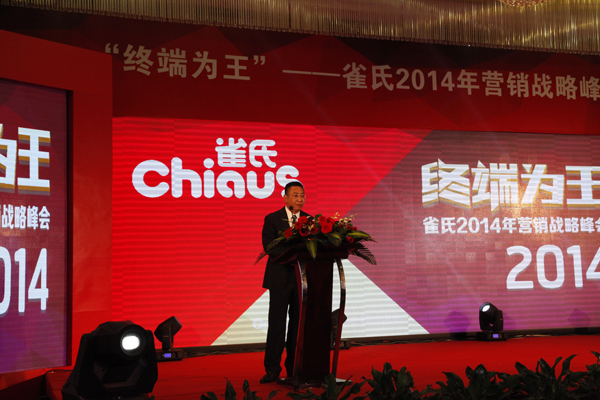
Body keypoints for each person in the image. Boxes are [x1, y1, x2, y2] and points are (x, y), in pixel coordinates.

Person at [260, 181, 309, 384]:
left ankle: (293, 368)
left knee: (298, 326)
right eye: (295, 195)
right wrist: (293, 254)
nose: (300, 199)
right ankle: (272, 369)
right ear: (285, 197)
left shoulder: (310, 221)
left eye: (302, 195)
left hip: (301, 280)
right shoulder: (272, 219)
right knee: (277, 325)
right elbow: (269, 247)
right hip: (280, 278)